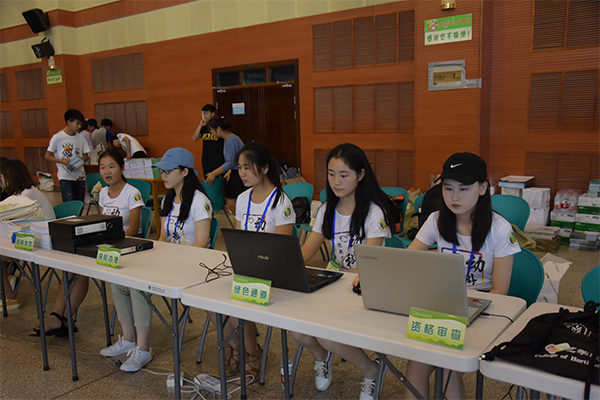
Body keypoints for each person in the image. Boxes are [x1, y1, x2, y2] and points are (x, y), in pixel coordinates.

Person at [405, 152, 520, 400]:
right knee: (415, 367)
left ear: (483, 188)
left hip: (483, 308)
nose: (454, 197)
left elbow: (500, 291)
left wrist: (465, 313)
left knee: (447, 365)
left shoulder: (499, 229)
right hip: (443, 305)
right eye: (448, 188)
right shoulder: (436, 220)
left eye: (464, 189)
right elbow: (407, 260)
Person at [290, 143, 393, 400]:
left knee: (329, 336)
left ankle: (371, 371)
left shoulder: (373, 212)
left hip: (364, 286)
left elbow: (371, 260)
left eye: (344, 175)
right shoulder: (326, 209)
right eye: (331, 174)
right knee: (296, 328)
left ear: (361, 174)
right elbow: (308, 249)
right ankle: (322, 358)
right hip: (334, 282)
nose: (336, 181)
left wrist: (356, 276)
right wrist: (285, 264)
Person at [210, 142, 295, 383]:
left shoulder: (281, 202)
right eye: (239, 168)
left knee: (237, 300)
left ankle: (253, 353)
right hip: (247, 267)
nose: (242, 173)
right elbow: (239, 240)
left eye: (248, 167)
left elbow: (282, 250)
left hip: (272, 271)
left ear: (265, 168)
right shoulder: (242, 198)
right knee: (209, 300)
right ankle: (238, 347)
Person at [95, 150, 150, 372]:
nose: (107, 172)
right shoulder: (103, 193)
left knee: (136, 288)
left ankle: (143, 347)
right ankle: (128, 339)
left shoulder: (132, 193)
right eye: (102, 167)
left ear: (121, 168)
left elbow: (134, 229)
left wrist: (112, 244)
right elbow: (101, 224)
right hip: (111, 250)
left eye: (111, 166)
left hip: (131, 249)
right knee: (115, 285)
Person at [0, 159, 56, 312]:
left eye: (1, 177)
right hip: (34, 238)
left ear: (11, 177)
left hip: (42, 242)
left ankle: (10, 297)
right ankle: (8, 283)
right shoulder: (25, 192)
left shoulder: (26, 196)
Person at [154, 147, 212, 247]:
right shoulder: (167, 199)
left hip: (193, 255)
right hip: (170, 254)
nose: (163, 175)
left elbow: (201, 245)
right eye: (162, 171)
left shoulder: (199, 201)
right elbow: (163, 238)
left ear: (184, 172)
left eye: (168, 171)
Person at [44, 109, 90, 202]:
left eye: (80, 124)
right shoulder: (57, 137)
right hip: (65, 176)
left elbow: (86, 155)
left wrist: (79, 160)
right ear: (68, 122)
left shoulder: (81, 138)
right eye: (77, 124)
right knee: (68, 202)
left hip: (80, 176)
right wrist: (62, 161)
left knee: (79, 203)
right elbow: (47, 156)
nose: (79, 126)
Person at [204, 116, 245, 214]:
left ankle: (241, 218)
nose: (211, 133)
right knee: (230, 198)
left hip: (239, 173)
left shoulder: (231, 139)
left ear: (218, 129)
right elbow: (234, 159)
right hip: (235, 172)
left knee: (230, 200)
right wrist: (229, 171)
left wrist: (213, 173)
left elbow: (230, 162)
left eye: (211, 130)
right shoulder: (229, 139)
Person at [191, 104, 225, 177]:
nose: (205, 116)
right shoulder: (204, 126)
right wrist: (200, 126)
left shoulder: (219, 125)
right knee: (208, 178)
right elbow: (194, 138)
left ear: (213, 114)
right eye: (203, 114)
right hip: (206, 158)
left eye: (206, 113)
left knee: (219, 178)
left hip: (218, 158)